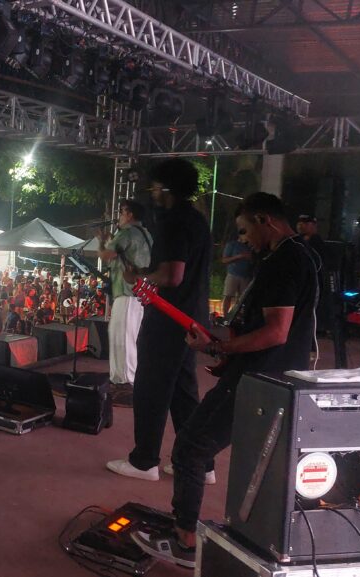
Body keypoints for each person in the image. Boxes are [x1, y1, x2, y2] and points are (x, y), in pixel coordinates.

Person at [132, 192, 318, 569]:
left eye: (245, 230)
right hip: (271, 377)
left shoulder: (284, 261)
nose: (244, 239)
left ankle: (185, 539)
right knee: (250, 462)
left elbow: (276, 331)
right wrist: (225, 350)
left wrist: (222, 347)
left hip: (258, 378)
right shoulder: (297, 255)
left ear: (264, 220)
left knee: (190, 448)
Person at [107, 158, 212, 482]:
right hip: (190, 317)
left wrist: (139, 276)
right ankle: (199, 463)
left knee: (151, 387)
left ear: (166, 189)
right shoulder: (197, 220)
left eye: (154, 187)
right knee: (183, 392)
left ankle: (144, 461)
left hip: (168, 317)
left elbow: (171, 275)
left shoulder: (173, 221)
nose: (152, 193)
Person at [99, 199, 152, 390]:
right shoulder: (146, 234)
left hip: (127, 291)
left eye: (121, 212)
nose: (119, 217)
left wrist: (101, 242)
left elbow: (106, 255)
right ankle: (120, 377)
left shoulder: (127, 232)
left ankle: (127, 379)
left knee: (123, 336)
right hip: (138, 292)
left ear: (129, 214)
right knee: (123, 335)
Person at [220, 231, 253, 317]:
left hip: (246, 276)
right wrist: (239, 256)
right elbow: (224, 260)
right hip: (233, 274)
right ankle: (225, 316)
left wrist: (250, 257)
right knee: (228, 295)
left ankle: (239, 316)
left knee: (243, 299)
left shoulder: (251, 246)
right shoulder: (232, 245)